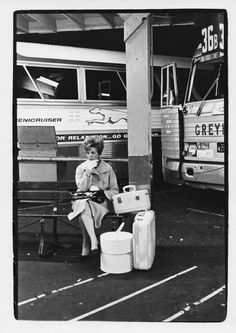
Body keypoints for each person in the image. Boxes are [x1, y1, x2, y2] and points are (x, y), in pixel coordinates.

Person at [68, 135, 119, 260]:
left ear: (99, 153)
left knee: (83, 209)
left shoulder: (107, 168)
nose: (90, 155)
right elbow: (82, 187)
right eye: (87, 153)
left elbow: (115, 190)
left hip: (99, 203)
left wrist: (103, 193)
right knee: (84, 205)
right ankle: (93, 241)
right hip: (82, 199)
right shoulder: (81, 168)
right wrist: (88, 172)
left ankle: (86, 243)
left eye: (93, 153)